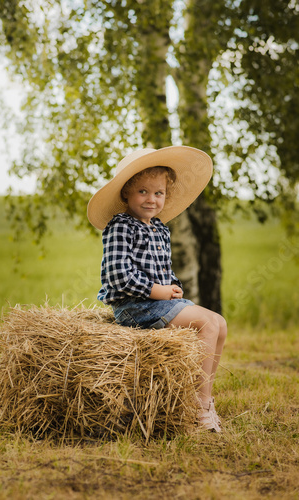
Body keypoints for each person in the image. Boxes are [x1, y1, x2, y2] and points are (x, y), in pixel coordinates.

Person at [87, 146, 227, 433]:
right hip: (135, 307)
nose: (151, 199)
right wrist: (157, 291)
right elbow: (117, 275)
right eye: (142, 191)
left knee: (220, 323)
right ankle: (198, 410)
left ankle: (206, 400)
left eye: (159, 193)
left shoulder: (160, 229)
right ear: (126, 192)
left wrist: (172, 287)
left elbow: (163, 269)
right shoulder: (120, 226)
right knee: (207, 324)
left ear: (166, 195)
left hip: (156, 302)